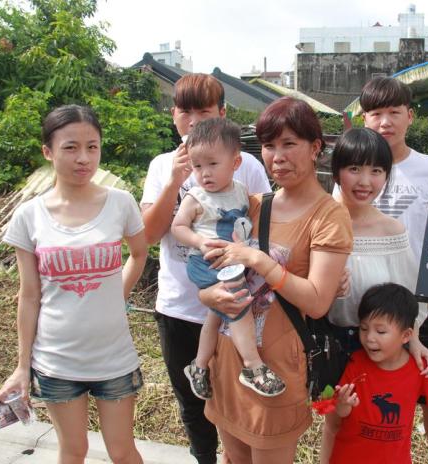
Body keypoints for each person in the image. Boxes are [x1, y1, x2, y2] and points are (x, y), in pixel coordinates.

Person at [198, 97, 353, 463]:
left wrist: (260, 261)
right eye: (269, 145)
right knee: (232, 457)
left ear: (315, 148)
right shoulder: (253, 205)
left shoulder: (329, 216)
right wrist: (209, 296)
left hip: (278, 372)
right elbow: (211, 274)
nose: (277, 156)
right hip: (229, 360)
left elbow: (316, 301)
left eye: (289, 144)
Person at [0, 105, 148, 463]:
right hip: (56, 361)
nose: (84, 158)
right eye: (70, 147)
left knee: (123, 451)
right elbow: (29, 296)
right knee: (73, 450)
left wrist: (116, 295)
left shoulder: (121, 203)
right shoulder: (29, 215)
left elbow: (139, 253)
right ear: (47, 151)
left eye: (92, 147)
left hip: (114, 357)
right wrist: (22, 366)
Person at [140, 73, 271, 464]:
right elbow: (149, 235)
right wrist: (177, 179)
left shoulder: (244, 164)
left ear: (222, 113)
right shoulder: (164, 165)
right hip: (179, 305)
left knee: (237, 402)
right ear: (173, 115)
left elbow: (264, 227)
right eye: (185, 111)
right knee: (193, 405)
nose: (194, 120)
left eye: (204, 110)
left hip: (236, 305)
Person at [333, 76, 428, 463]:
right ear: (363, 118)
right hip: (356, 316)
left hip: (414, 306)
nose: (385, 122)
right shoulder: (347, 173)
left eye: (394, 113)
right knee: (354, 406)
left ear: (410, 117)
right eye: (375, 113)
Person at [321, 127, 428, 461]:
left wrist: (413, 341)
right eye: (354, 168)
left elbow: (409, 298)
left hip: (381, 349)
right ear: (337, 171)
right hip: (332, 345)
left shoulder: (391, 230)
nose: (365, 181)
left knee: (375, 427)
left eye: (376, 171)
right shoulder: (319, 222)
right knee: (334, 424)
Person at [170, 117, 285, 399]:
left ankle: (198, 366)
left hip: (233, 262)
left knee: (214, 316)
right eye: (197, 166)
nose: (204, 173)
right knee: (237, 304)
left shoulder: (242, 192)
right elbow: (177, 227)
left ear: (235, 163)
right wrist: (199, 241)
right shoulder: (196, 197)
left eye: (212, 164)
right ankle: (252, 366)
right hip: (207, 262)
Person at [322, 283, 428, 464]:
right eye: (363, 329)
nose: (370, 337)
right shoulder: (355, 364)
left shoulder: (416, 369)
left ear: (406, 335)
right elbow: (339, 412)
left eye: (380, 331)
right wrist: (343, 404)